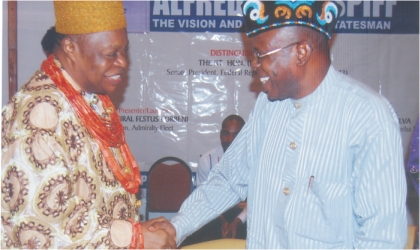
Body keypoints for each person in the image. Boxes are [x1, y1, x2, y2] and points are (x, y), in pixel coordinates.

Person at [150, 1, 407, 248]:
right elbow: (228, 180)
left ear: (302, 52)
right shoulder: (268, 106)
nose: (254, 65)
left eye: (261, 54)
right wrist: (178, 226)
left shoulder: (368, 116)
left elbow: (381, 238)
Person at [1, 1, 175, 249]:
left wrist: (141, 230)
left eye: (124, 51)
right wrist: (132, 237)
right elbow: (40, 230)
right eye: (111, 54)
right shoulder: (40, 115)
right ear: (71, 48)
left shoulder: (91, 98)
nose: (123, 62)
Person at [183, 115, 246, 244]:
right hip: (216, 213)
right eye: (226, 133)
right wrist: (222, 220)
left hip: (245, 214)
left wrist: (238, 220)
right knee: (192, 238)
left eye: (236, 135)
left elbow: (256, 203)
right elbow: (204, 199)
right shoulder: (207, 159)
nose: (230, 139)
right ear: (220, 135)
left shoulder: (255, 160)